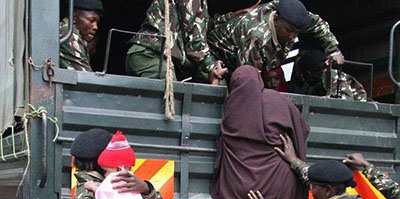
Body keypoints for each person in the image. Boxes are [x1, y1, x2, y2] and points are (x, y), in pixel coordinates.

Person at [211, 65, 310, 199]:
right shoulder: (277, 101)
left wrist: (214, 81)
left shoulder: (232, 106)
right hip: (279, 190)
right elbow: (302, 129)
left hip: (241, 196)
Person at [125, 0, 260, 84]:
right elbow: (194, 40)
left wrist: (231, 17)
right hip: (152, 55)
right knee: (167, 110)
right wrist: (212, 68)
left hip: (149, 54)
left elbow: (201, 26)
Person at [206, 0, 345, 80]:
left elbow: (318, 24)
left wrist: (333, 50)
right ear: (276, 20)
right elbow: (247, 79)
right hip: (216, 56)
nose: (292, 36)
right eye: (289, 31)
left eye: (296, 33)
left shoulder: (290, 13)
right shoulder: (257, 37)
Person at [290, 49, 367, 101]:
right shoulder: (318, 82)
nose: (303, 78)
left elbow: (346, 105)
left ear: (309, 72)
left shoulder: (331, 77)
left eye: (304, 74)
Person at [59, 0, 102, 71]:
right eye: (91, 20)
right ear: (74, 18)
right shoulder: (69, 36)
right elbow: (86, 78)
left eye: (97, 23)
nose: (96, 27)